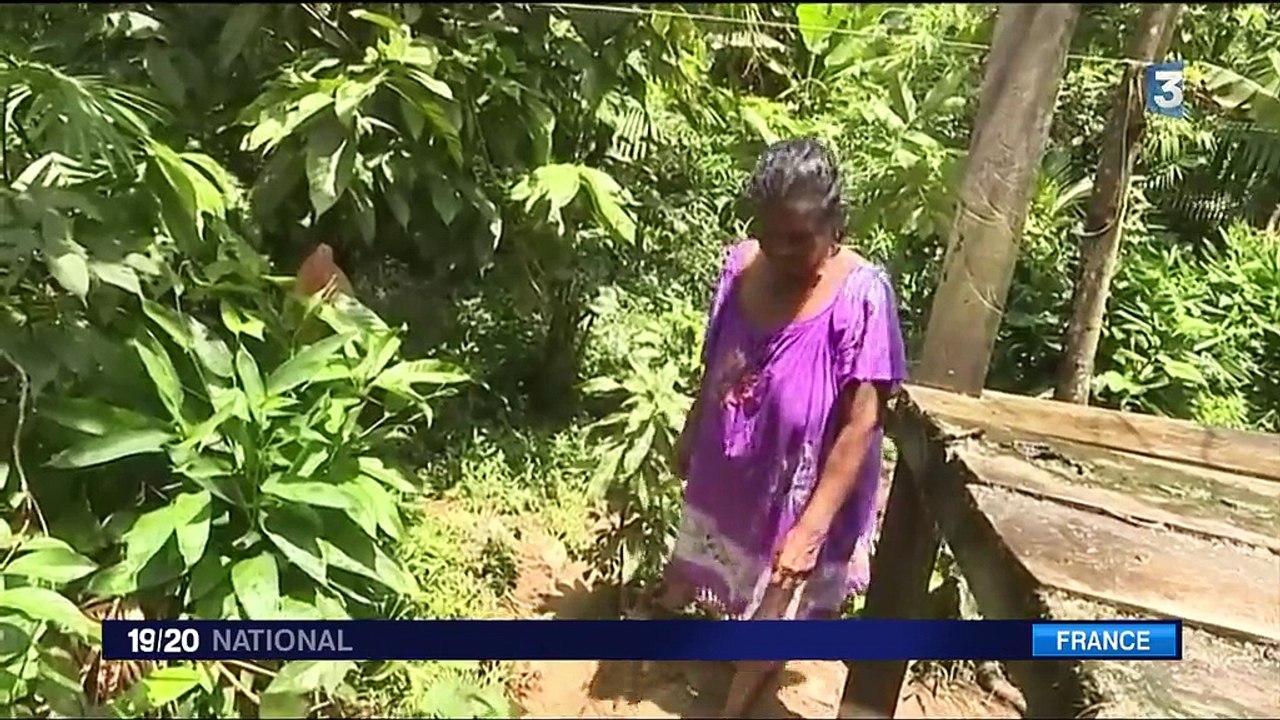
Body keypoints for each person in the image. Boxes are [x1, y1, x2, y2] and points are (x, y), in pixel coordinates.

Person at [638, 138, 908, 717]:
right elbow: (717, 360)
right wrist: (691, 430)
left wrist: (811, 528)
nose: (782, 250)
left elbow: (863, 424)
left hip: (805, 491)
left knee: (776, 611)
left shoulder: (862, 295)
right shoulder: (738, 267)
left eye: (800, 238)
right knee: (734, 579)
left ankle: (737, 708)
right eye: (771, 234)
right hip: (734, 470)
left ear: (835, 223)